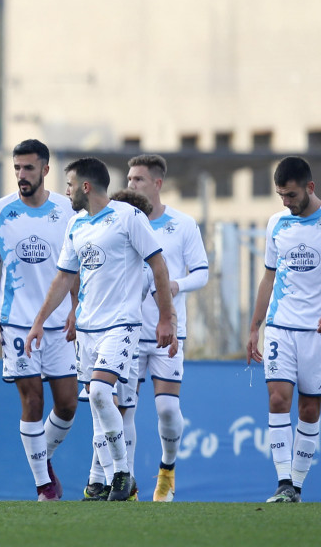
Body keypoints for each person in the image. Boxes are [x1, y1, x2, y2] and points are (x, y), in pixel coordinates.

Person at [26, 157, 175, 502]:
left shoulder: (129, 217)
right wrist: (38, 322)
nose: (66, 191)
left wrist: (166, 318)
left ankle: (122, 474)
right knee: (100, 405)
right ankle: (103, 481)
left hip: (121, 325)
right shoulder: (76, 224)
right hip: (88, 329)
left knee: (98, 394)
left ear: (86, 186)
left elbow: (158, 264)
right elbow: (64, 277)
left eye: (69, 184)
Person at [246, 156, 321, 503]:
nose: (285, 202)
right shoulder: (276, 224)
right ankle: (282, 482)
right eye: (281, 195)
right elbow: (268, 277)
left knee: (309, 409)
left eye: (291, 195)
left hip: (319, 332)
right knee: (278, 398)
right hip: (281, 326)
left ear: (310, 187)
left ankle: (296, 485)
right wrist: (255, 328)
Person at [0, 139, 78, 501]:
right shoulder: (0, 211)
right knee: (32, 401)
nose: (22, 176)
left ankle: (43, 458)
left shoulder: (67, 210)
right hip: (17, 322)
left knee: (68, 404)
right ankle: (44, 486)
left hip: (59, 327)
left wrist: (76, 308)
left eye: (28, 168)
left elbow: (77, 268)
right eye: (17, 169)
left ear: (45, 170)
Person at [126, 155, 210, 502]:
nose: (131, 186)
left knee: (167, 410)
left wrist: (175, 285)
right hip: (126, 330)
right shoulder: (122, 221)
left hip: (167, 332)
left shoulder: (183, 224)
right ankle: (125, 481)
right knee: (123, 409)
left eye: (139, 180)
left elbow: (202, 273)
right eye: (129, 179)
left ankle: (167, 470)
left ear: (158, 184)